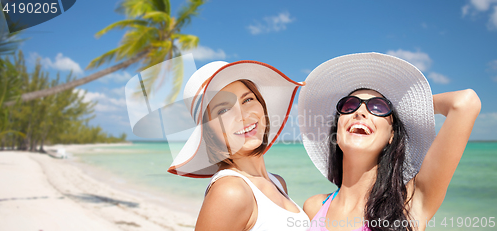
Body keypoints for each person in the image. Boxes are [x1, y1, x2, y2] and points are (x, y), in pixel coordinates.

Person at [298, 52, 480, 231]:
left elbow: (465, 103)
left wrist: (404, 110)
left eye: (378, 107)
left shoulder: (410, 205)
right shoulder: (313, 207)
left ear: (392, 135)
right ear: (337, 131)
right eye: (349, 105)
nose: (360, 112)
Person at [167, 60, 310, 230]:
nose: (242, 115)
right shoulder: (230, 191)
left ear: (262, 105)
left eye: (247, 99)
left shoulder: (277, 182)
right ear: (209, 131)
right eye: (223, 110)